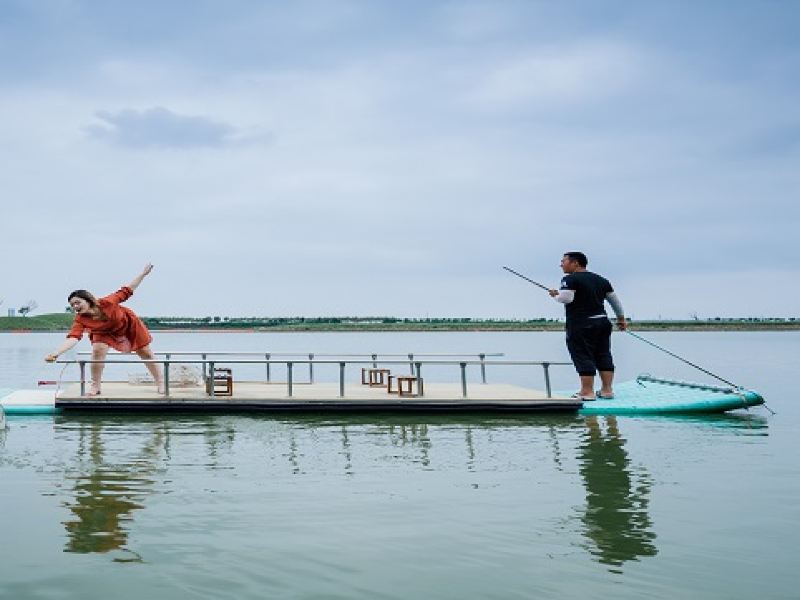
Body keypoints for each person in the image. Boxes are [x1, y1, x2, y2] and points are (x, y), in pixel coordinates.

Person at [45, 263, 164, 396]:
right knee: (97, 351)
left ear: (88, 300)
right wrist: (56, 353)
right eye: (72, 305)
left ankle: (160, 382)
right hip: (103, 332)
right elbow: (73, 337)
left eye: (77, 302)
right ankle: (95, 386)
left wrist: (143, 274)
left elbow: (128, 290)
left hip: (128, 325)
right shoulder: (80, 319)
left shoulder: (107, 302)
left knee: (145, 353)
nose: (75, 306)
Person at [548, 252, 626, 400]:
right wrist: (621, 320)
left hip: (581, 323)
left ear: (575, 263)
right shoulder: (602, 280)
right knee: (603, 353)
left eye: (563, 261)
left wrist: (555, 294)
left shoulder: (569, 279)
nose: (561, 264)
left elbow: (566, 298)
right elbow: (615, 301)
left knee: (582, 354)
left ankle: (587, 392)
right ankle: (607, 390)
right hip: (603, 322)